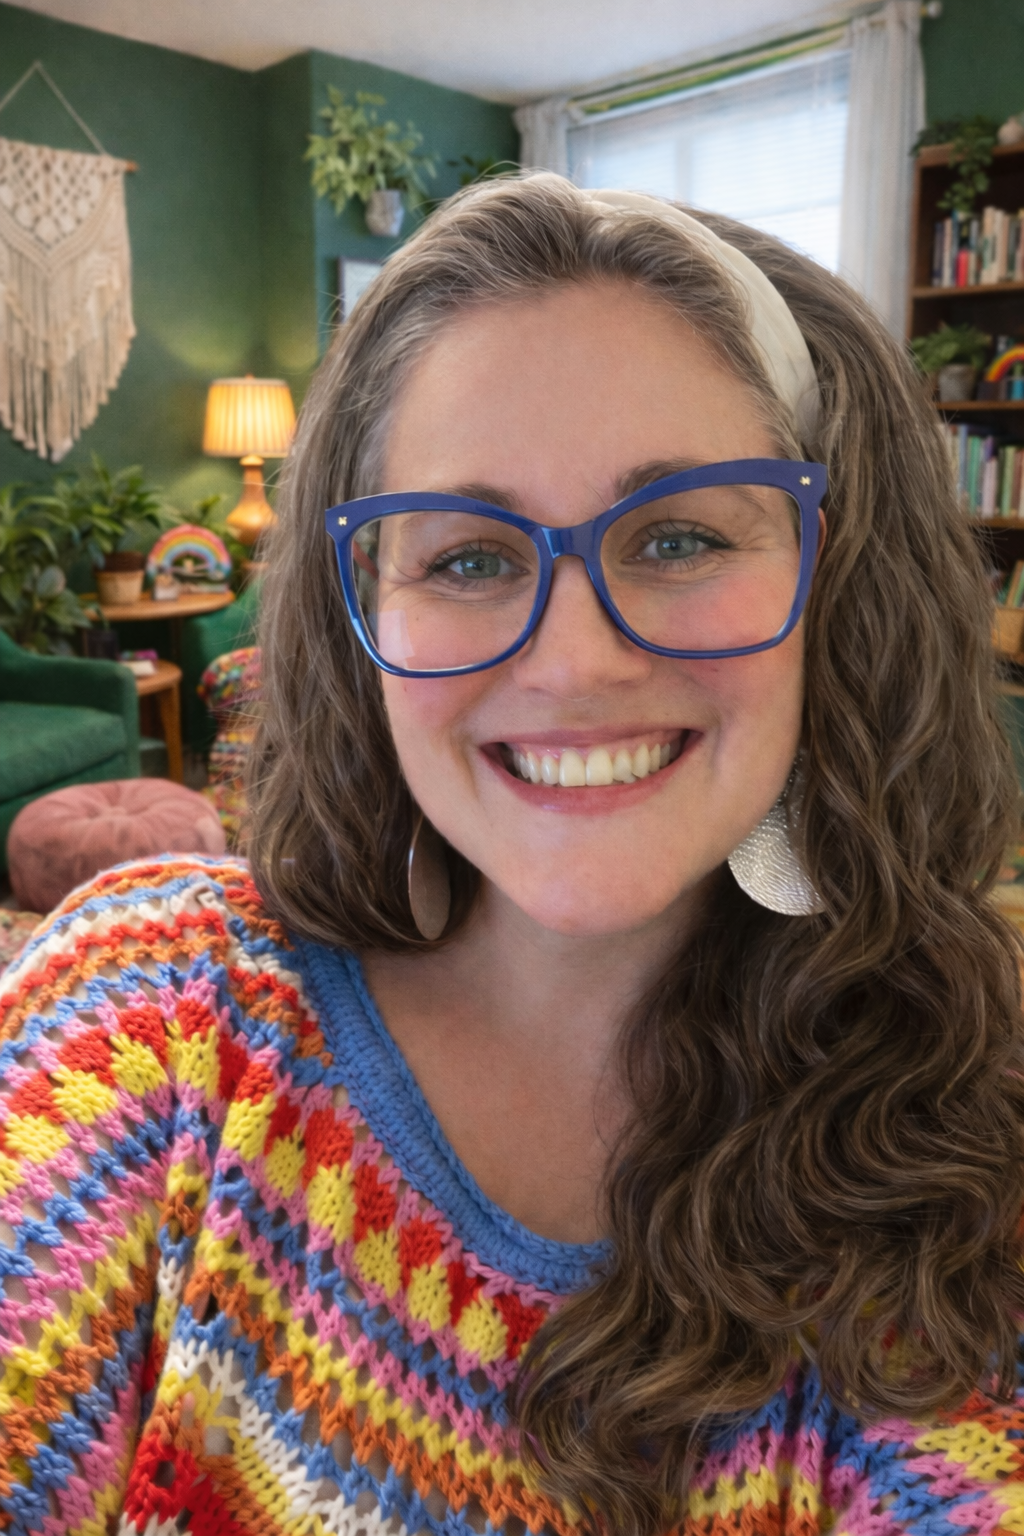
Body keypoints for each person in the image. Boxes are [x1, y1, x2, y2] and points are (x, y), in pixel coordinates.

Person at [2, 174, 1023, 1536]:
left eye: (677, 537)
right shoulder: (148, 1017)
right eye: (471, 558)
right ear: (358, 610)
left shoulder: (969, 1152)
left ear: (836, 584)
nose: (576, 657)